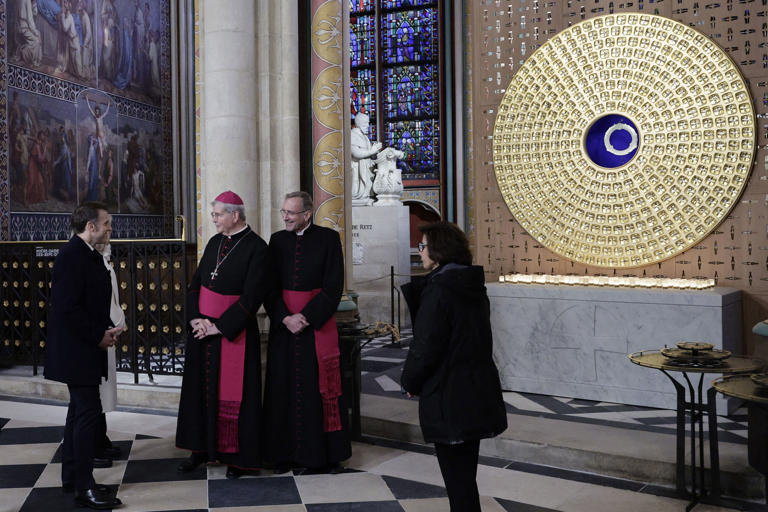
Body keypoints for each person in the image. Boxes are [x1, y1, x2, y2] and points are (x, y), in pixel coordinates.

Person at [401, 222, 508, 512]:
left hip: (448, 392)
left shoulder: (440, 290)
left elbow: (426, 346)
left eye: (422, 246)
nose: (419, 252)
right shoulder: (471, 284)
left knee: (457, 479)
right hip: (474, 389)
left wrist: (410, 382)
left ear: (438, 250)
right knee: (464, 477)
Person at [176, 191, 268, 479]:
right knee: (199, 392)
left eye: (217, 214)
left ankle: (236, 458)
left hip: (232, 334)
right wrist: (196, 319)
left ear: (234, 216)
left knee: (235, 395)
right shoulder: (215, 242)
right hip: (202, 332)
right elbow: (195, 285)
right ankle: (199, 449)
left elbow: (253, 297)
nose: (213, 219)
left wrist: (220, 326)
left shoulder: (257, 248)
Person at [263, 191, 350, 473]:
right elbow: (268, 286)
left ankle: (319, 456)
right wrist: (285, 317)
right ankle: (282, 454)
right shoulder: (276, 241)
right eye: (283, 212)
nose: (285, 217)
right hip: (285, 328)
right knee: (282, 390)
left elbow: (333, 286)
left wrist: (307, 317)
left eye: (291, 212)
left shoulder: (328, 239)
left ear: (307, 214)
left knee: (318, 391)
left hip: (316, 327)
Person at [44, 202, 123, 510]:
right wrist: (98, 335)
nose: (110, 229)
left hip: (85, 347)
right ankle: (84, 488)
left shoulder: (87, 255)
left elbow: (88, 303)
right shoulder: (71, 256)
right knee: (87, 416)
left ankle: (73, 478)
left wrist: (105, 329)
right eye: (107, 224)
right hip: (78, 351)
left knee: (78, 413)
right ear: (90, 226)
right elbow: (66, 308)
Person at [94, 239, 126, 464]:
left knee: (103, 393)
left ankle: (100, 440)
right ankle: (93, 446)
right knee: (94, 396)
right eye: (106, 225)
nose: (110, 232)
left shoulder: (105, 263)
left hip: (108, 332)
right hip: (97, 336)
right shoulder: (92, 264)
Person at [350, 113, 382, 205]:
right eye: (366, 123)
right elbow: (356, 153)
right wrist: (372, 151)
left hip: (367, 167)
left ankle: (366, 196)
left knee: (368, 185)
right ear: (359, 123)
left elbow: (369, 153)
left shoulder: (365, 137)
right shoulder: (352, 135)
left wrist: (375, 151)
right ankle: (359, 198)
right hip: (357, 168)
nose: (368, 126)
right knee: (358, 187)